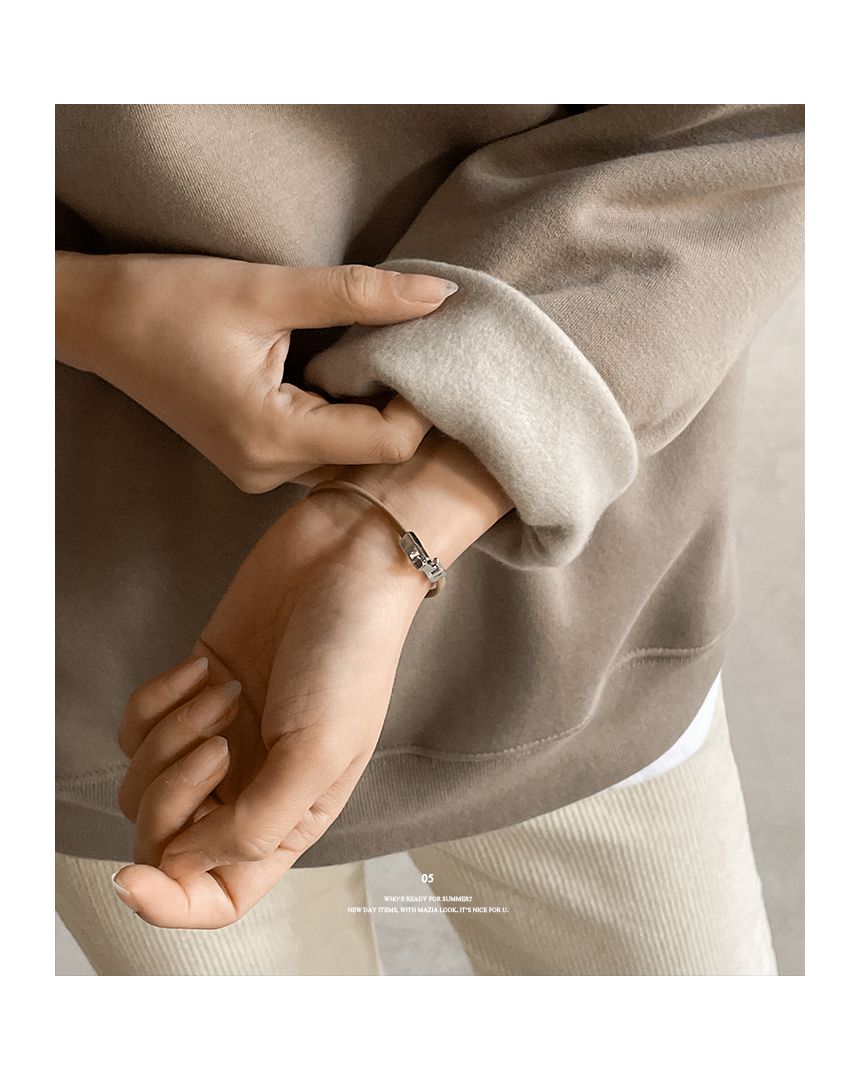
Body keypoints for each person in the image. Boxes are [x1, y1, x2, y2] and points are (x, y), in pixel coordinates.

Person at [55, 103, 804, 975]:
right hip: (112, 688)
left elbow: (769, 105)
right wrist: (72, 305)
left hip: (578, 634)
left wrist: (398, 520)